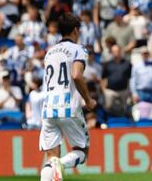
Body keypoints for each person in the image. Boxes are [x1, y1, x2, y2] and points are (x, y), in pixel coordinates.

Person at [39, 13, 96, 181]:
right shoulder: (79, 49)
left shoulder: (49, 53)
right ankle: (61, 164)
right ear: (76, 30)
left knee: (51, 157)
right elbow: (77, 75)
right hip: (68, 107)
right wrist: (88, 99)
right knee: (81, 152)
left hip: (48, 108)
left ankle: (56, 165)